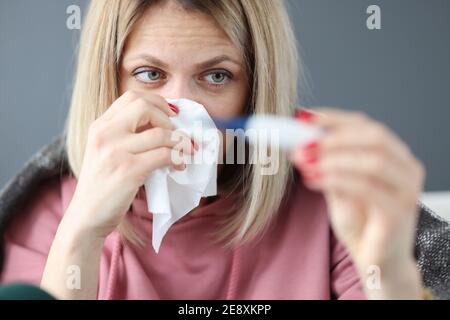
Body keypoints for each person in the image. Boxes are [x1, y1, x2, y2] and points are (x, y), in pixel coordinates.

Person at [0, 0, 433, 299]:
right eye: (150, 73)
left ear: (256, 91)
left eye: (217, 77)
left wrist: (389, 266)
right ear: (107, 83)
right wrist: (81, 234)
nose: (182, 111)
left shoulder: (330, 210)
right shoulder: (47, 217)